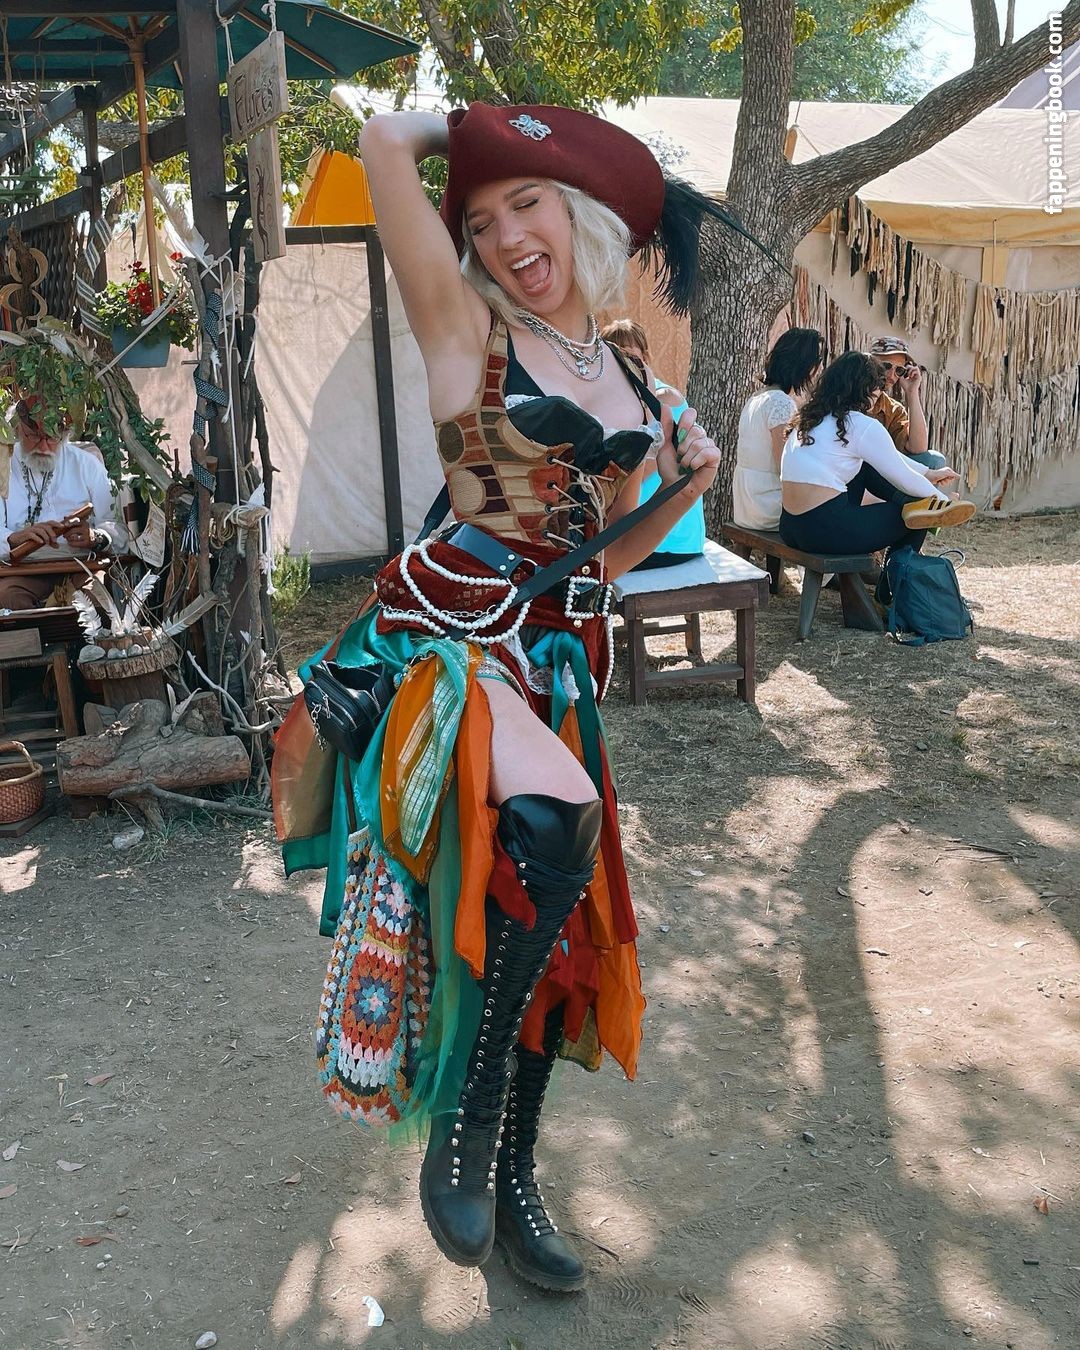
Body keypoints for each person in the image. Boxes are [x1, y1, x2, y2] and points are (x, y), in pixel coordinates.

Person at [272, 104, 719, 1292]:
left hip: (555, 662)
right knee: (558, 816)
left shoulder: (630, 370)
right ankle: (468, 1119)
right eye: (481, 219)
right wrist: (482, 131)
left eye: (529, 203)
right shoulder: (465, 329)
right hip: (451, 649)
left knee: (554, 935)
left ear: (577, 215)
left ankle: (515, 1177)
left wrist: (685, 488)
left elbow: (601, 564)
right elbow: (381, 142)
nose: (509, 236)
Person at [779, 351, 975, 557]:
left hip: (790, 527)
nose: (881, 390)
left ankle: (927, 507)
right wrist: (944, 502)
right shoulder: (859, 424)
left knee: (868, 467)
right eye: (877, 383)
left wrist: (927, 472)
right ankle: (894, 577)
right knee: (919, 515)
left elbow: (888, 457)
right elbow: (904, 478)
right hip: (824, 531)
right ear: (864, 387)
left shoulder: (810, 419)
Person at [0, 396, 126, 611]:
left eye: (51, 438)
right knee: (7, 596)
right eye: (34, 436)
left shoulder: (86, 464)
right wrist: (14, 538)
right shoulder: (4, 465)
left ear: (65, 435)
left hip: (81, 568)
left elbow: (119, 530)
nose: (43, 446)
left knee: (95, 597)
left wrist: (96, 537)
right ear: (19, 430)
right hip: (23, 571)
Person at [600, 318, 704, 568]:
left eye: (630, 356)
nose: (623, 364)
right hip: (644, 536)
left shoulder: (663, 398)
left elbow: (640, 469)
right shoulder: (624, 399)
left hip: (668, 541)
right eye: (614, 357)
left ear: (645, 357)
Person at [732, 327, 824, 530]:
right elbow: (784, 464)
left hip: (745, 504)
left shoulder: (757, 398)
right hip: (766, 507)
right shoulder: (781, 402)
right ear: (804, 364)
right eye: (817, 360)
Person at [866, 335, 948, 470]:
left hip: (876, 472)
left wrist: (912, 393)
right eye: (886, 366)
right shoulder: (846, 392)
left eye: (899, 370)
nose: (891, 375)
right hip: (846, 468)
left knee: (934, 460)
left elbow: (918, 449)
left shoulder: (893, 410)